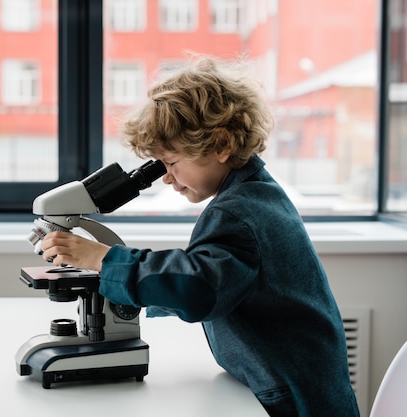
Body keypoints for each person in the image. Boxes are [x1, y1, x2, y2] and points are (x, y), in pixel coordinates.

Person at [40, 55, 360, 417]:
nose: (165, 178)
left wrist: (103, 259)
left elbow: (199, 288)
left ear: (221, 144)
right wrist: (125, 289)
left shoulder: (237, 213)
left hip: (296, 403)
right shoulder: (258, 195)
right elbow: (223, 281)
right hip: (299, 388)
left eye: (172, 163)